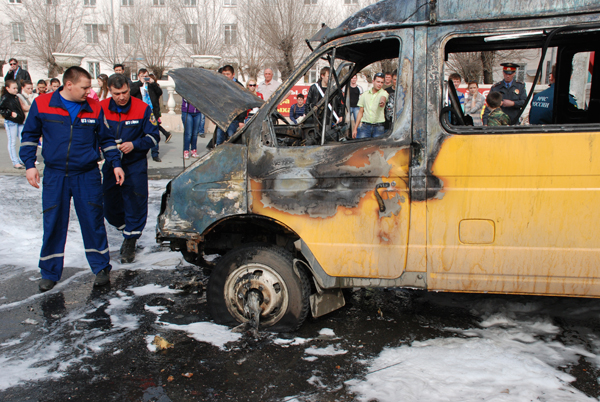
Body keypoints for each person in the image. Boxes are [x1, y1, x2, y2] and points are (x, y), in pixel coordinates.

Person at [19, 66, 125, 292]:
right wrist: (30, 165)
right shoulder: (43, 104)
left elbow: (106, 139)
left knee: (93, 220)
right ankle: (49, 272)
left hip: (86, 174)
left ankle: (101, 267)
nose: (89, 91)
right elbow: (29, 136)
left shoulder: (94, 107)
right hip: (55, 175)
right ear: (69, 85)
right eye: (84, 87)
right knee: (54, 222)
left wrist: (115, 163)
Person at [101, 74, 160, 263]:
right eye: (117, 93)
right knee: (109, 203)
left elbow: (153, 136)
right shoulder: (101, 108)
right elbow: (95, 135)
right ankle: (125, 226)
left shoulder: (142, 108)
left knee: (135, 201)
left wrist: (134, 144)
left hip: (134, 163)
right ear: (110, 91)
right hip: (111, 163)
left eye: (124, 92)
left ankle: (130, 240)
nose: (121, 97)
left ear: (129, 88)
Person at [130, 68, 172, 161]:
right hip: (140, 113)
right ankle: (140, 152)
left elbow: (160, 92)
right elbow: (131, 93)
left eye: (146, 76)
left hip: (152, 112)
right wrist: (140, 83)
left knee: (154, 132)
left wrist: (153, 83)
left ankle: (155, 154)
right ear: (139, 76)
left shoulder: (151, 85)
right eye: (143, 76)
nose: (145, 78)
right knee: (140, 134)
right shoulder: (135, 85)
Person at [215, 65, 246, 145]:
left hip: (234, 119)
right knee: (219, 140)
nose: (225, 76)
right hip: (222, 119)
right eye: (224, 74)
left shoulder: (238, 86)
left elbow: (243, 103)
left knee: (232, 140)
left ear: (233, 75)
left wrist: (241, 120)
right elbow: (216, 101)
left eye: (228, 74)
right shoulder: (219, 85)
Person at [352, 72, 388, 139]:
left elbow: (384, 97)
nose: (380, 84)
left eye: (382, 82)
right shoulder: (365, 95)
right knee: (363, 147)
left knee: (376, 147)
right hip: (366, 126)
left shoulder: (384, 93)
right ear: (373, 81)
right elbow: (360, 112)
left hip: (378, 127)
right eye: (378, 82)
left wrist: (382, 102)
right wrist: (355, 128)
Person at [0, 79, 25, 169]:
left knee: (23, 140)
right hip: (11, 122)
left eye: (16, 88)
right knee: (12, 142)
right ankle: (15, 161)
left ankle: (22, 159)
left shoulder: (15, 97)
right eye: (14, 88)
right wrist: (9, 113)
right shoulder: (5, 97)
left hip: (19, 121)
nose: (16, 90)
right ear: (7, 88)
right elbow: (1, 109)